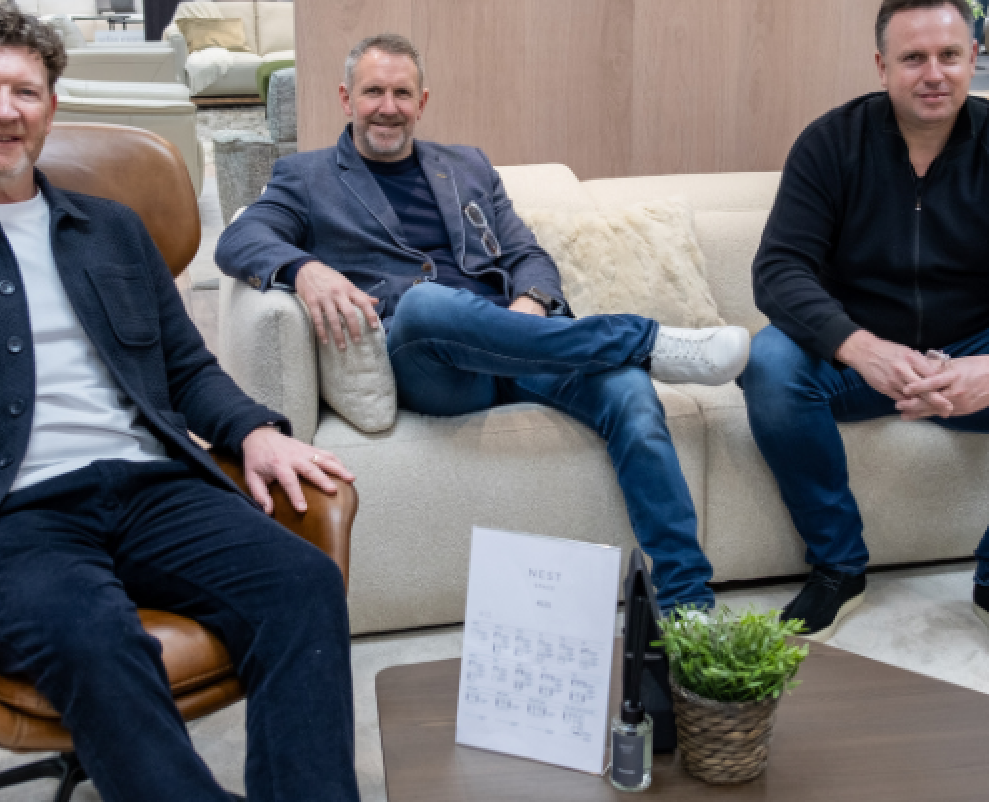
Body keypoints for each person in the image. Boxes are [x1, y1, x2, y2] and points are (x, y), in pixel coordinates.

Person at [0, 5, 360, 802]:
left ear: (52, 108)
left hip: (151, 490)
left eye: (26, 90)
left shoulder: (112, 232)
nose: (4, 110)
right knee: (95, 637)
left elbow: (187, 369)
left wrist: (255, 430)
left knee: (303, 585)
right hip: (0, 520)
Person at [215, 33, 749, 613]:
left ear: (423, 102)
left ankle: (688, 604)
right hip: (433, 362)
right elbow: (240, 238)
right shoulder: (306, 177)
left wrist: (533, 305)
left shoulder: (467, 166)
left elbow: (528, 255)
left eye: (402, 92)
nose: (387, 106)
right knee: (424, 303)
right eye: (373, 91)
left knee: (629, 392)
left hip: (518, 346)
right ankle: (643, 339)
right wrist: (306, 267)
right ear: (346, 98)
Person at [740, 0, 989, 673]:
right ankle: (837, 568)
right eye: (913, 58)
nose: (934, 73)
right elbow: (779, 270)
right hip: (859, 360)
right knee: (770, 363)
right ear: (881, 66)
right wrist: (859, 347)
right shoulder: (831, 144)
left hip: (975, 353)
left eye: (949, 54)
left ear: (974, 57)